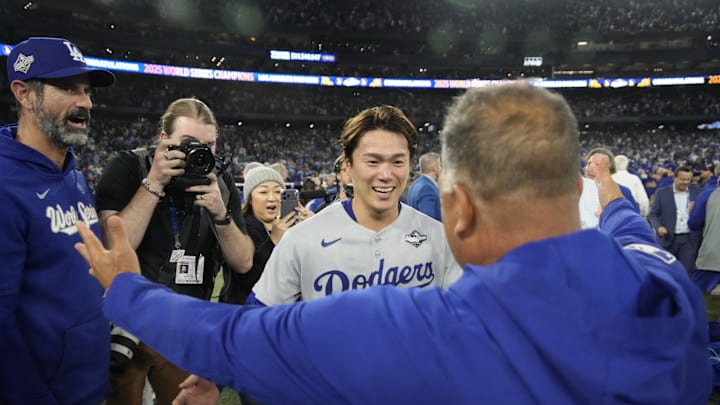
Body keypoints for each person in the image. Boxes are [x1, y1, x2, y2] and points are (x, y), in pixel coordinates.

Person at [74, 84, 710, 404]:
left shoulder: (431, 330)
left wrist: (126, 289)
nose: (386, 174)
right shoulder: (660, 282)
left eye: (399, 162)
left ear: (455, 208)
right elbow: (628, 235)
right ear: (575, 185)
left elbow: (235, 337)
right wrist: (615, 201)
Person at [93, 97, 254, 404]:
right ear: (164, 139)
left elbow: (243, 261)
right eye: (190, 143)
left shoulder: (219, 182)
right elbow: (115, 245)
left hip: (184, 326)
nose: (201, 153)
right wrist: (154, 182)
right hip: (127, 322)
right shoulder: (128, 166)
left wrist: (222, 215)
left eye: (210, 145)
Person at [249, 105, 462, 306]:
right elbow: (258, 315)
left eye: (398, 162)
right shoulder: (303, 238)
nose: (386, 175)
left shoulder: (438, 238)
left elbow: (463, 320)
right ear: (348, 166)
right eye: (373, 162)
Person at [0, 36, 115, 404]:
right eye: (67, 88)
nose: (85, 102)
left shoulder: (73, 173)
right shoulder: (5, 184)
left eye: (86, 90)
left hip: (88, 386)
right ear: (24, 94)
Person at [220, 165, 310, 305]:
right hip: (246, 312)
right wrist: (273, 241)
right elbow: (247, 278)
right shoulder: (239, 229)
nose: (272, 198)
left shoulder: (293, 227)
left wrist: (313, 228)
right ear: (250, 199)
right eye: (263, 192)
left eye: (278, 192)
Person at [648, 165, 701, 273]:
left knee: (686, 273)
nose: (686, 182)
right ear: (675, 178)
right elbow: (653, 214)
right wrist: (659, 227)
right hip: (668, 239)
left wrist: (694, 210)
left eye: (688, 180)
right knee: (667, 272)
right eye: (682, 179)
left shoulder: (697, 192)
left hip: (689, 240)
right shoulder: (662, 193)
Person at [407, 151, 442, 221]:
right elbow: (427, 222)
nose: (441, 168)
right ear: (435, 168)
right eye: (440, 165)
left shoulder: (415, 184)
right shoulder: (427, 188)